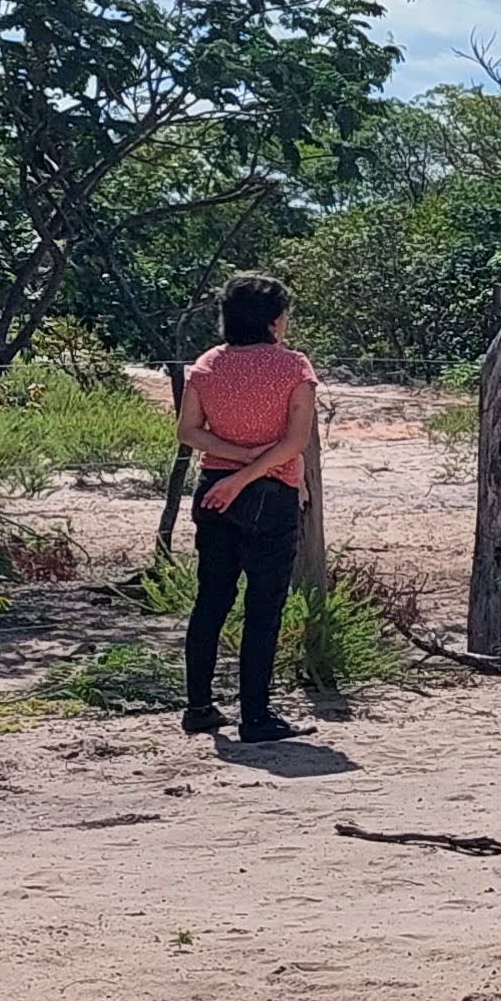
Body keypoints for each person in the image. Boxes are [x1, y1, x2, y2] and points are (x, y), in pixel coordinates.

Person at [175, 272, 320, 745]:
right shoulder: (293, 367)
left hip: (214, 489)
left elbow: (189, 432)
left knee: (212, 599)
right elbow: (295, 443)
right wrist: (251, 469)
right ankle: (255, 715)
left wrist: (232, 466)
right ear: (274, 321)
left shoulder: (206, 366)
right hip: (271, 492)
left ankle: (198, 706)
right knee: (263, 606)